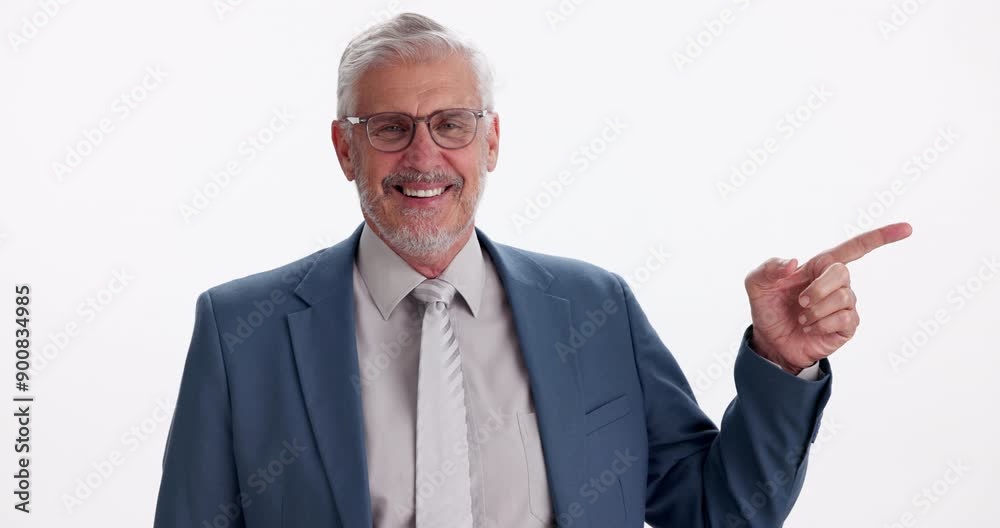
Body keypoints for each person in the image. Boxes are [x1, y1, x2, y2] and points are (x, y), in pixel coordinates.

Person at [153, 12, 912, 528]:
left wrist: (781, 363)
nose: (424, 156)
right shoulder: (239, 331)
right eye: (389, 128)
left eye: (452, 124)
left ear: (490, 143)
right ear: (344, 148)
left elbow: (716, 512)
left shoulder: (594, 308)